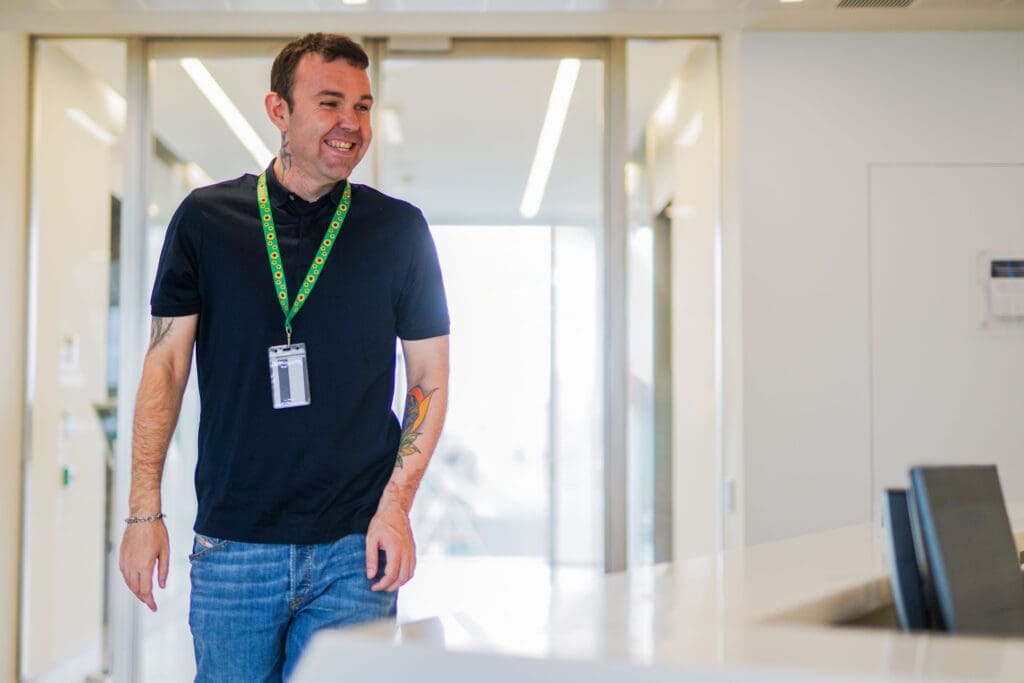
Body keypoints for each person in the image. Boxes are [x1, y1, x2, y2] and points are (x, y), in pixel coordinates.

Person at [118, 33, 450, 682]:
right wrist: (142, 510)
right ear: (278, 110)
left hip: (355, 549)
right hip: (234, 545)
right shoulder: (205, 221)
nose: (350, 124)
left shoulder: (399, 231)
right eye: (330, 103)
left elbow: (429, 378)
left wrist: (396, 507)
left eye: (362, 106)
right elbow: (164, 365)